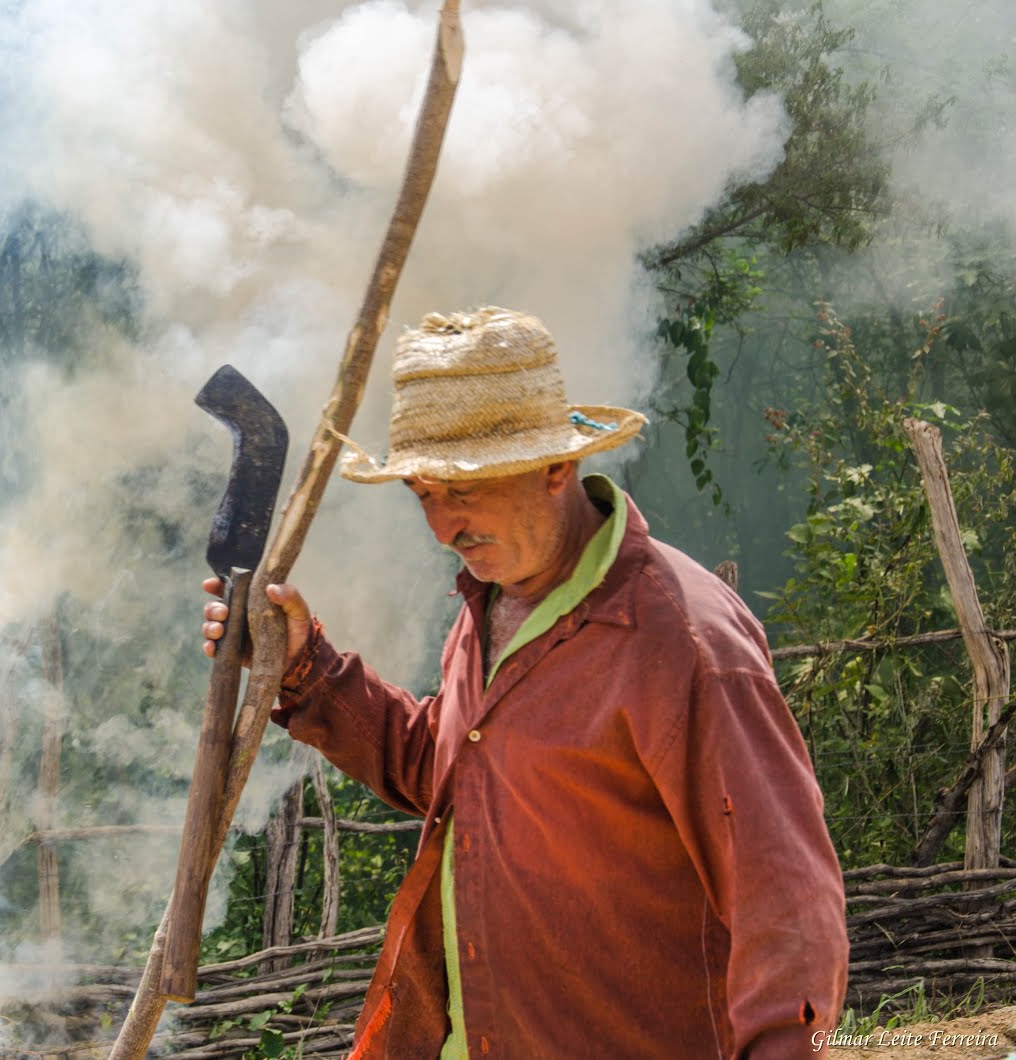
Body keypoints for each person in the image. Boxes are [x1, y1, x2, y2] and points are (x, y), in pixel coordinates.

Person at [200, 307, 848, 1058]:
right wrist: (305, 663)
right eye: (424, 493)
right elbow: (447, 770)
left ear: (554, 467)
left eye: (465, 489)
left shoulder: (683, 641)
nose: (444, 527)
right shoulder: (495, 601)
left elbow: (785, 901)